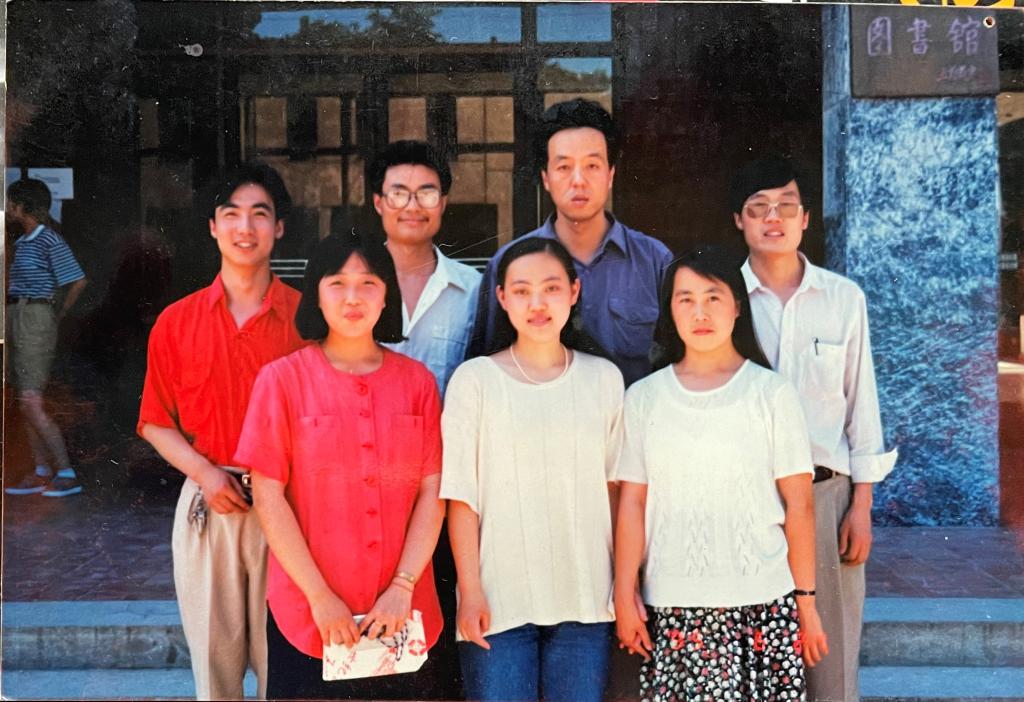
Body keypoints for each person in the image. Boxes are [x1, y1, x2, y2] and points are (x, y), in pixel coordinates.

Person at [233, 231, 446, 700]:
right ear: (316, 294)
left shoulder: (418, 383)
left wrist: (402, 586)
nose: (353, 297)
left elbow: (433, 492)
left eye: (368, 283)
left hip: (402, 611)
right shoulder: (281, 381)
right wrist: (320, 598)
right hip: (307, 613)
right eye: (337, 283)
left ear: (387, 295)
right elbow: (268, 496)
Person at [613, 247, 828, 701]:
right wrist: (624, 593)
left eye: (713, 297)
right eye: (685, 299)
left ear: (737, 307)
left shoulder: (771, 393)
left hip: (765, 603)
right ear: (670, 312)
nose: (700, 313)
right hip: (676, 604)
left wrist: (805, 604)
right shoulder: (644, 398)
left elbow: (800, 505)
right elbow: (632, 502)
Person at [731, 156, 897, 702]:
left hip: (827, 496)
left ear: (805, 219)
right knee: (754, 664)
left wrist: (861, 505)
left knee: (830, 665)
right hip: (746, 497)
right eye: (758, 207)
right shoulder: (722, 299)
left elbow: (861, 406)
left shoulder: (843, 299)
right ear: (739, 220)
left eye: (786, 206)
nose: (772, 218)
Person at [137, 162, 305, 700]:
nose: (245, 228)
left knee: (287, 669)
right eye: (231, 214)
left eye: (260, 214)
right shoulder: (177, 321)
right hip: (209, 504)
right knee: (215, 674)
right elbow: (155, 421)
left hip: (292, 508)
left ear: (279, 226)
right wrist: (206, 474)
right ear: (212, 226)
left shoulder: (308, 319)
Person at [441, 237, 623, 702]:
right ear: (502, 297)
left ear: (574, 292)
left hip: (586, 598)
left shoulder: (603, 379)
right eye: (522, 291)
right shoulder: (474, 381)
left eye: (551, 288)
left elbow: (616, 493)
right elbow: (462, 498)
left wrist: (624, 588)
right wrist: (470, 591)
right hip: (498, 602)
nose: (537, 304)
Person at [467, 98, 672, 386]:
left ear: (610, 175)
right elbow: (487, 366)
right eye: (564, 167)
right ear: (546, 178)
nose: (578, 180)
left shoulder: (654, 260)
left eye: (592, 165)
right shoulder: (509, 263)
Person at [370, 140, 482, 395]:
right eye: (398, 194)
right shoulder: (354, 286)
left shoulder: (472, 289)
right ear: (378, 203)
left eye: (426, 194)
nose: (412, 207)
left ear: (442, 203)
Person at [5, 178, 88, 498]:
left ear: (21, 206)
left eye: (11, 203)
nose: (8, 208)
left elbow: (77, 280)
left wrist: (57, 312)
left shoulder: (48, 239)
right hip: (17, 315)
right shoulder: (23, 241)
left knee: (31, 400)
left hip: (36, 317)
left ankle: (66, 472)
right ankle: (41, 470)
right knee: (24, 400)